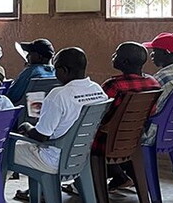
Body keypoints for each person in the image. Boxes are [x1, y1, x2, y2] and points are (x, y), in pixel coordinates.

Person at [11, 47, 108, 177]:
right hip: (82, 156)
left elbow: (41, 136)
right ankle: (42, 192)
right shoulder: (97, 90)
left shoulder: (59, 95)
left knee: (5, 150)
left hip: (53, 159)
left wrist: (27, 127)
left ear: (64, 70)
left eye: (56, 68)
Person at [95, 42, 161, 188]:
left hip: (106, 142)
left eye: (116, 54)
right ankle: (120, 176)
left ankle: (87, 182)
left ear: (124, 62)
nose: (113, 56)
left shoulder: (114, 85)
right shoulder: (153, 83)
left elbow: (97, 114)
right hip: (134, 139)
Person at [7, 38, 55, 105]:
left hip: (23, 113)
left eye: (30, 53)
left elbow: (12, 96)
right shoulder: (56, 73)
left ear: (39, 57)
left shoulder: (31, 71)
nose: (27, 56)